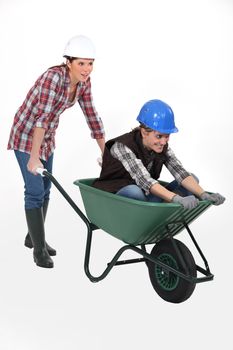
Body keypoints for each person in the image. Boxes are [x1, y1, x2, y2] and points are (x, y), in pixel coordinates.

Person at [8, 35, 105, 269]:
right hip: (27, 135)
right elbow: (41, 119)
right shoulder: (54, 78)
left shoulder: (84, 83)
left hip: (48, 136)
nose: (86, 69)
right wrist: (33, 157)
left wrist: (106, 153)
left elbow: (92, 116)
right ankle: (39, 250)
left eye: (90, 63)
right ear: (68, 62)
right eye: (81, 63)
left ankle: (33, 237)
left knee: (46, 188)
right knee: (34, 191)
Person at [93, 99, 225, 211]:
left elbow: (180, 172)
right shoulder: (123, 146)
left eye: (167, 136)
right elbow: (145, 180)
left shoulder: (161, 146)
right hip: (116, 196)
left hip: (145, 197)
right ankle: (162, 206)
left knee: (193, 179)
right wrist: (177, 198)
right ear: (144, 132)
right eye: (159, 136)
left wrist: (203, 194)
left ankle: (160, 211)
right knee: (135, 191)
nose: (163, 142)